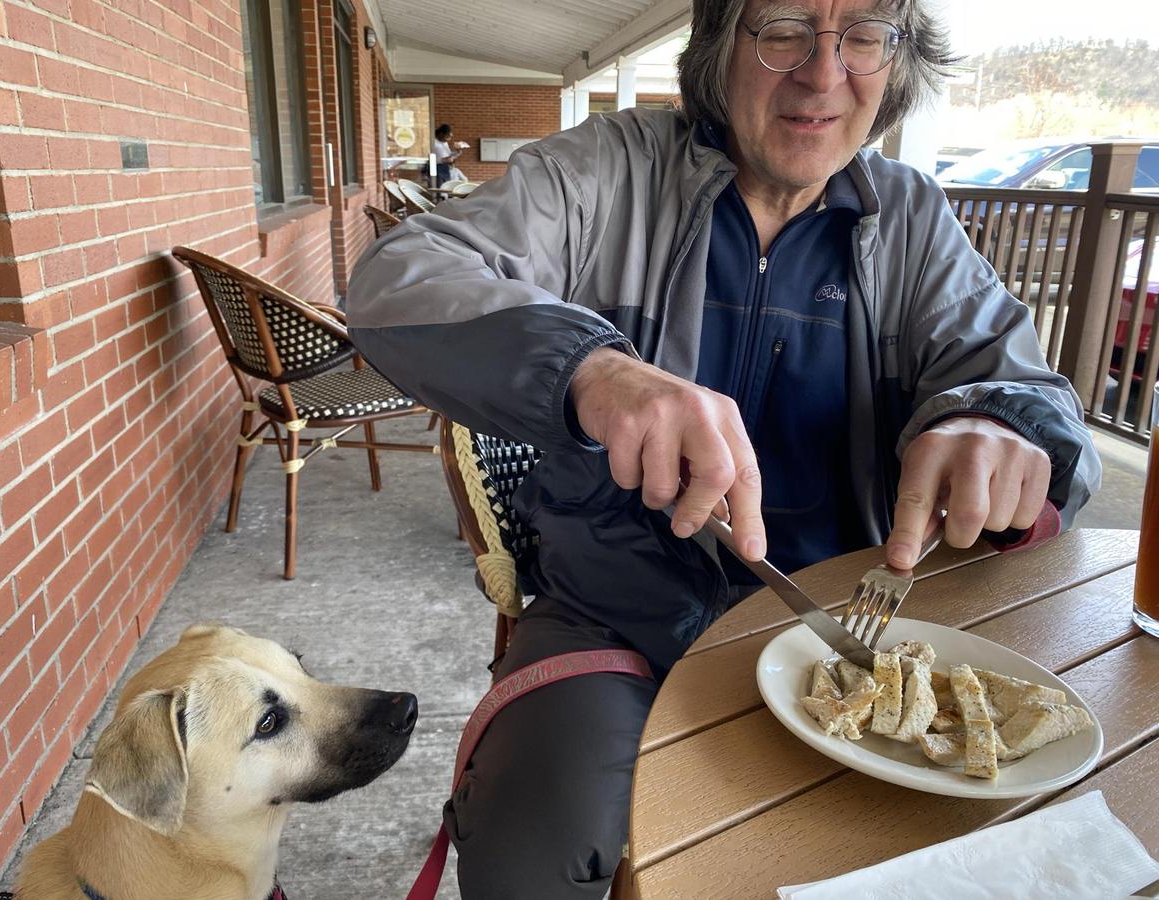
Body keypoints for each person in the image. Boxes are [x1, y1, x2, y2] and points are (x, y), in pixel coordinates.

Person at [347, 0, 1102, 896]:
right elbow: (398, 281)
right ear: (717, 46)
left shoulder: (911, 219)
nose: (824, 74)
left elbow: (1034, 399)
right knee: (534, 846)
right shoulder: (605, 169)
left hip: (844, 631)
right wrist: (590, 367)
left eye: (862, 36)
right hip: (615, 617)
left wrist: (1000, 422)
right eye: (783, 28)